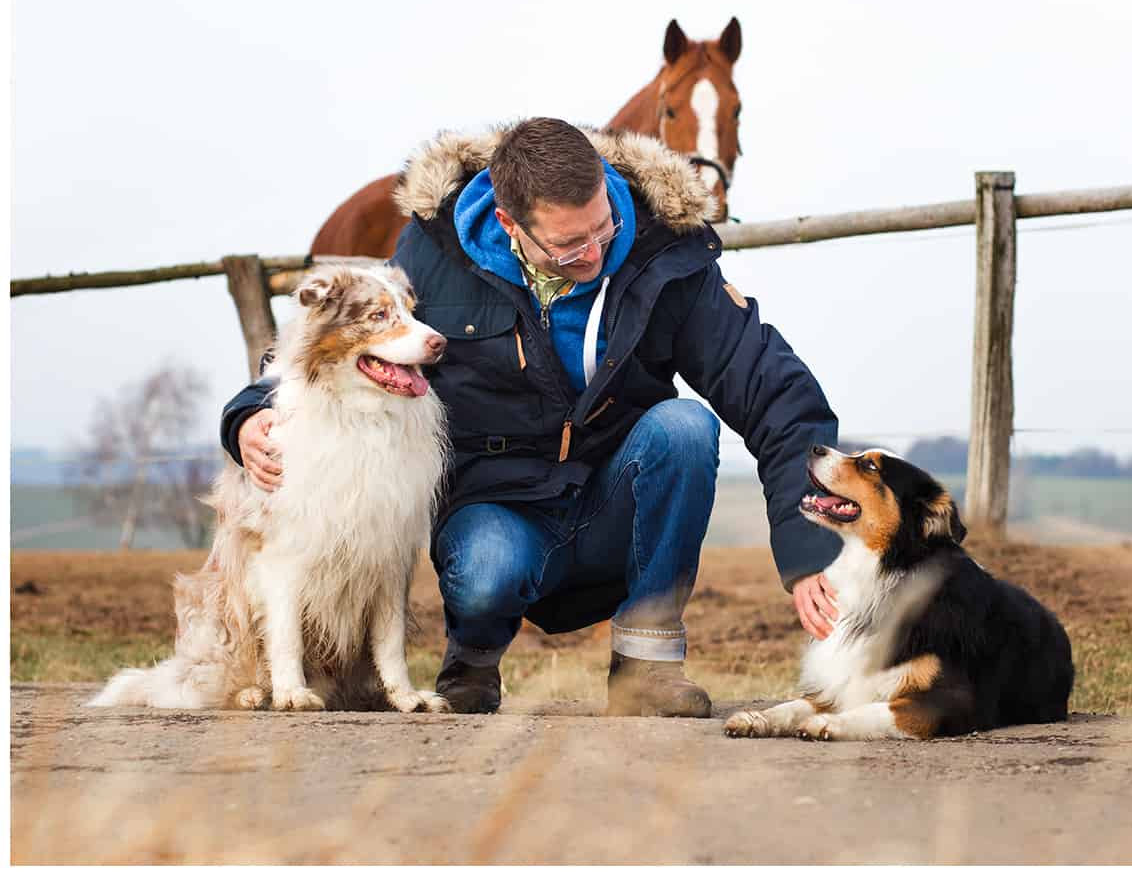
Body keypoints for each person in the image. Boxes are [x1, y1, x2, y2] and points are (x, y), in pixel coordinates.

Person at [221, 117, 844, 716]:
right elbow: (335, 342)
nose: (595, 253)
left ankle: (646, 672)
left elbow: (776, 392)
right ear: (508, 223)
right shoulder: (435, 250)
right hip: (495, 502)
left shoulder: (663, 251)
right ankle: (471, 663)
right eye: (570, 244)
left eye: (603, 227)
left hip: (612, 493)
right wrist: (249, 415)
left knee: (684, 428)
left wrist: (809, 547)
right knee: (487, 570)